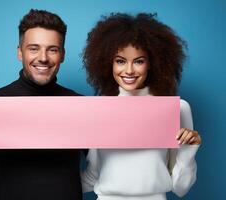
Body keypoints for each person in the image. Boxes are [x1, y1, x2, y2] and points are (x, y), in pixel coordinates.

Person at [0, 9, 84, 200]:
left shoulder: (82, 107)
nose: (43, 57)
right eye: (33, 48)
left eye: (52, 49)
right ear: (19, 53)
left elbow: (108, 169)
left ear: (62, 55)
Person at [81, 13, 202, 200]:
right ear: (108, 63)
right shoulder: (98, 110)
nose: (129, 70)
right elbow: (93, 175)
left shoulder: (176, 108)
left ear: (152, 63)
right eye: (120, 61)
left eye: (139, 61)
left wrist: (188, 153)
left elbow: (181, 188)